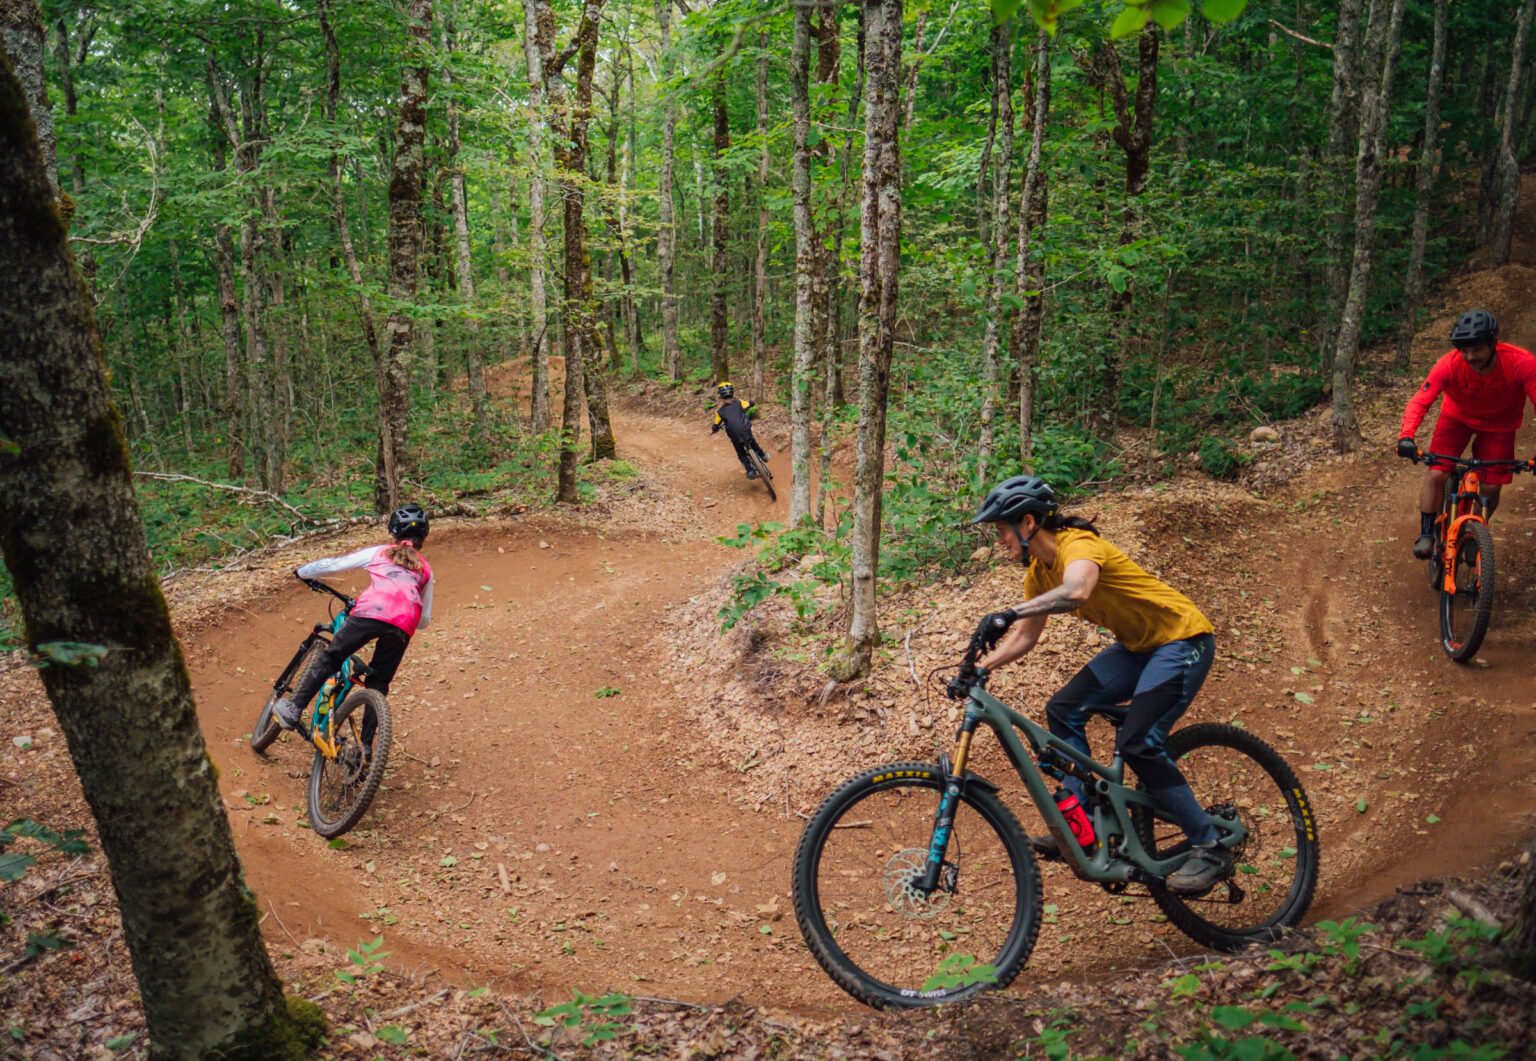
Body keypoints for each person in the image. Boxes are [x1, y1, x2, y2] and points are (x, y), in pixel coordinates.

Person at [968, 474, 1228, 895]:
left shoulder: (1078, 544)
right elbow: (1027, 637)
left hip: (1183, 639)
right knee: (1064, 709)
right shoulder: (1039, 572)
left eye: (1002, 531)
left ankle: (1209, 845)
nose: (1000, 541)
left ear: (1029, 522)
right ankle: (1082, 818)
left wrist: (1008, 612)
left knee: (1139, 741)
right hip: (1140, 648)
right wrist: (981, 665)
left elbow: (1078, 590)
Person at [271, 504, 434, 753]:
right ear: (424, 537)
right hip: (404, 624)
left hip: (371, 611)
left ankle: (294, 709)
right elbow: (424, 620)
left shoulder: (380, 552)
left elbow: (335, 565)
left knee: (332, 657)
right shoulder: (426, 570)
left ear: (393, 531)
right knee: (378, 682)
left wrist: (303, 572)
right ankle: (366, 749)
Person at [1396, 309, 1536, 559]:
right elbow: (1421, 400)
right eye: (1464, 350)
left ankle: (1477, 530)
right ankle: (1427, 533)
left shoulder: (1521, 363)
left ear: (1494, 342)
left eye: (1476, 349)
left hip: (1499, 427)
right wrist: (1407, 436)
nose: (1469, 357)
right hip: (1456, 420)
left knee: (1491, 487)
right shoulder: (1449, 364)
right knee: (1437, 471)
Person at [711, 381, 770, 480]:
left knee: (741, 453)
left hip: (734, 435)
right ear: (732, 392)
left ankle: (750, 471)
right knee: (752, 440)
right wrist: (752, 403)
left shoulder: (720, 412)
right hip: (745, 429)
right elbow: (749, 403)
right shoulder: (739, 402)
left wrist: (714, 429)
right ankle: (763, 455)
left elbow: (715, 425)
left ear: (721, 395)